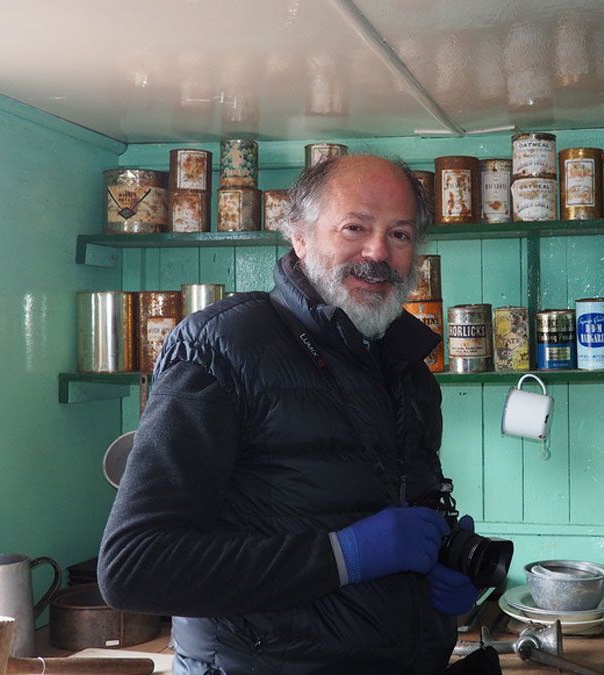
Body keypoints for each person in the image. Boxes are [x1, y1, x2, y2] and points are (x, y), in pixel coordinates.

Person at [98, 155, 490, 674]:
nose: (378, 253)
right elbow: (134, 567)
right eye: (354, 227)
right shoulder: (223, 345)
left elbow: (381, 506)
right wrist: (344, 555)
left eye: (399, 234)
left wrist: (441, 569)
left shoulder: (405, 367)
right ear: (300, 237)